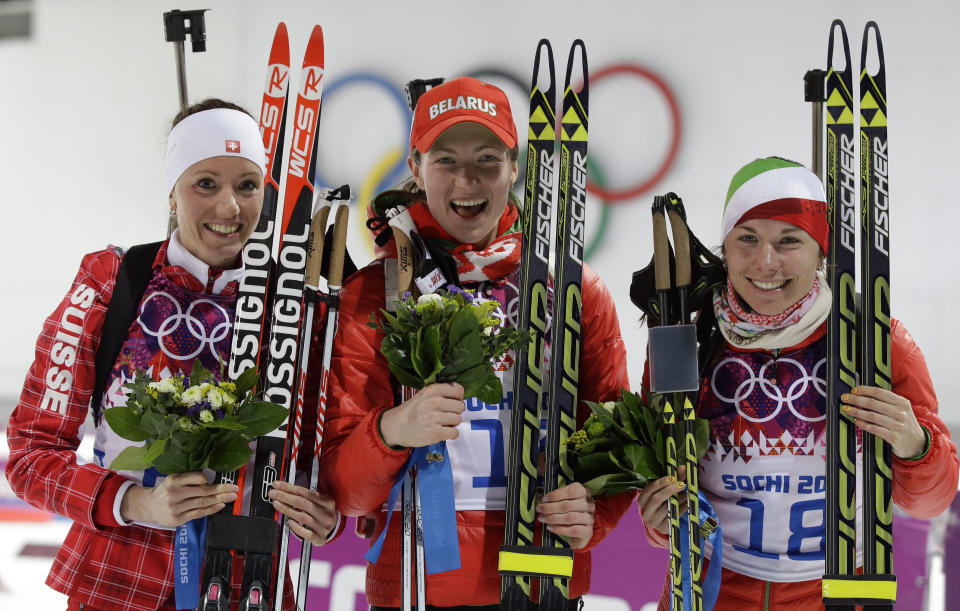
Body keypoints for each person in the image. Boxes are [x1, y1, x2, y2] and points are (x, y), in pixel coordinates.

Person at [5, 98, 339, 611]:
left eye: (247, 185)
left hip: (246, 577)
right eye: (205, 183)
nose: (229, 207)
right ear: (172, 190)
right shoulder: (111, 282)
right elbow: (31, 454)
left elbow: (334, 453)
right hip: (117, 576)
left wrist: (327, 513)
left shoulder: (298, 305)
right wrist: (135, 502)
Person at [318, 76, 633, 609]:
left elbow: (612, 446)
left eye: (488, 158)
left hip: (543, 586)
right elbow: (345, 492)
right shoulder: (374, 293)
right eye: (445, 160)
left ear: (514, 166)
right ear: (416, 169)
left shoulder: (575, 291)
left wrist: (593, 515)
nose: (468, 179)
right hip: (414, 591)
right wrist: (393, 429)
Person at [636, 157, 959, 610]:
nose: (766, 262)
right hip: (712, 589)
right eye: (747, 239)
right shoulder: (686, 341)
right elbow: (665, 492)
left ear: (820, 252)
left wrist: (915, 443)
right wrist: (659, 518)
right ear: (725, 246)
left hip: (838, 590)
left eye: (789, 241)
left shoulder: (875, 340)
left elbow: (932, 501)